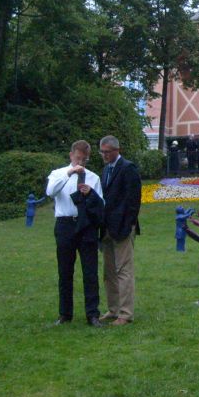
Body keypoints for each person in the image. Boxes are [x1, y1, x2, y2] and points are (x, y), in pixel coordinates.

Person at [45, 140, 104, 326]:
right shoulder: (58, 174)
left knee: (90, 271)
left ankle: (92, 314)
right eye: (78, 159)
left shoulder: (93, 177)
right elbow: (50, 192)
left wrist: (90, 193)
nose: (81, 163)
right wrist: (69, 173)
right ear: (71, 155)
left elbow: (101, 204)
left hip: (86, 225)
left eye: (85, 160)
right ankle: (65, 314)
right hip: (65, 224)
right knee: (65, 270)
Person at [98, 135, 142, 326]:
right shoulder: (106, 170)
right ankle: (113, 309)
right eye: (102, 152)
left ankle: (126, 313)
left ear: (117, 150)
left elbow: (133, 200)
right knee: (108, 271)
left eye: (107, 152)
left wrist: (128, 225)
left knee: (123, 270)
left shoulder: (128, 168)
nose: (104, 155)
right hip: (106, 227)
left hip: (123, 227)